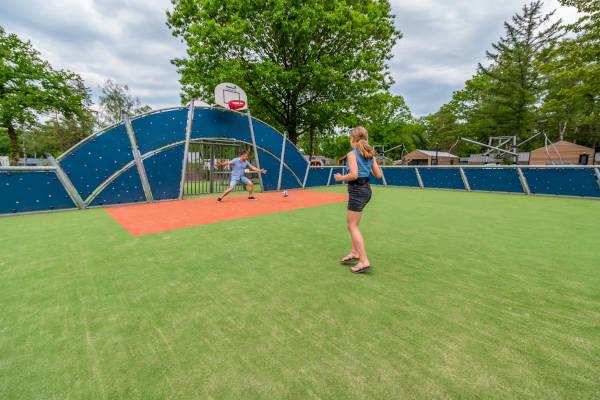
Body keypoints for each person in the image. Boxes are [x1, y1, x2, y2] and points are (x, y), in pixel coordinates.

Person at [334, 126, 382, 273]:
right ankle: (355, 253)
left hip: (357, 191)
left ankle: (363, 260)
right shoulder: (370, 155)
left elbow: (353, 175)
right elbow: (378, 175)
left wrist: (340, 177)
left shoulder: (352, 154)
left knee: (352, 226)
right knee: (354, 224)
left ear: (352, 139)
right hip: (366, 191)